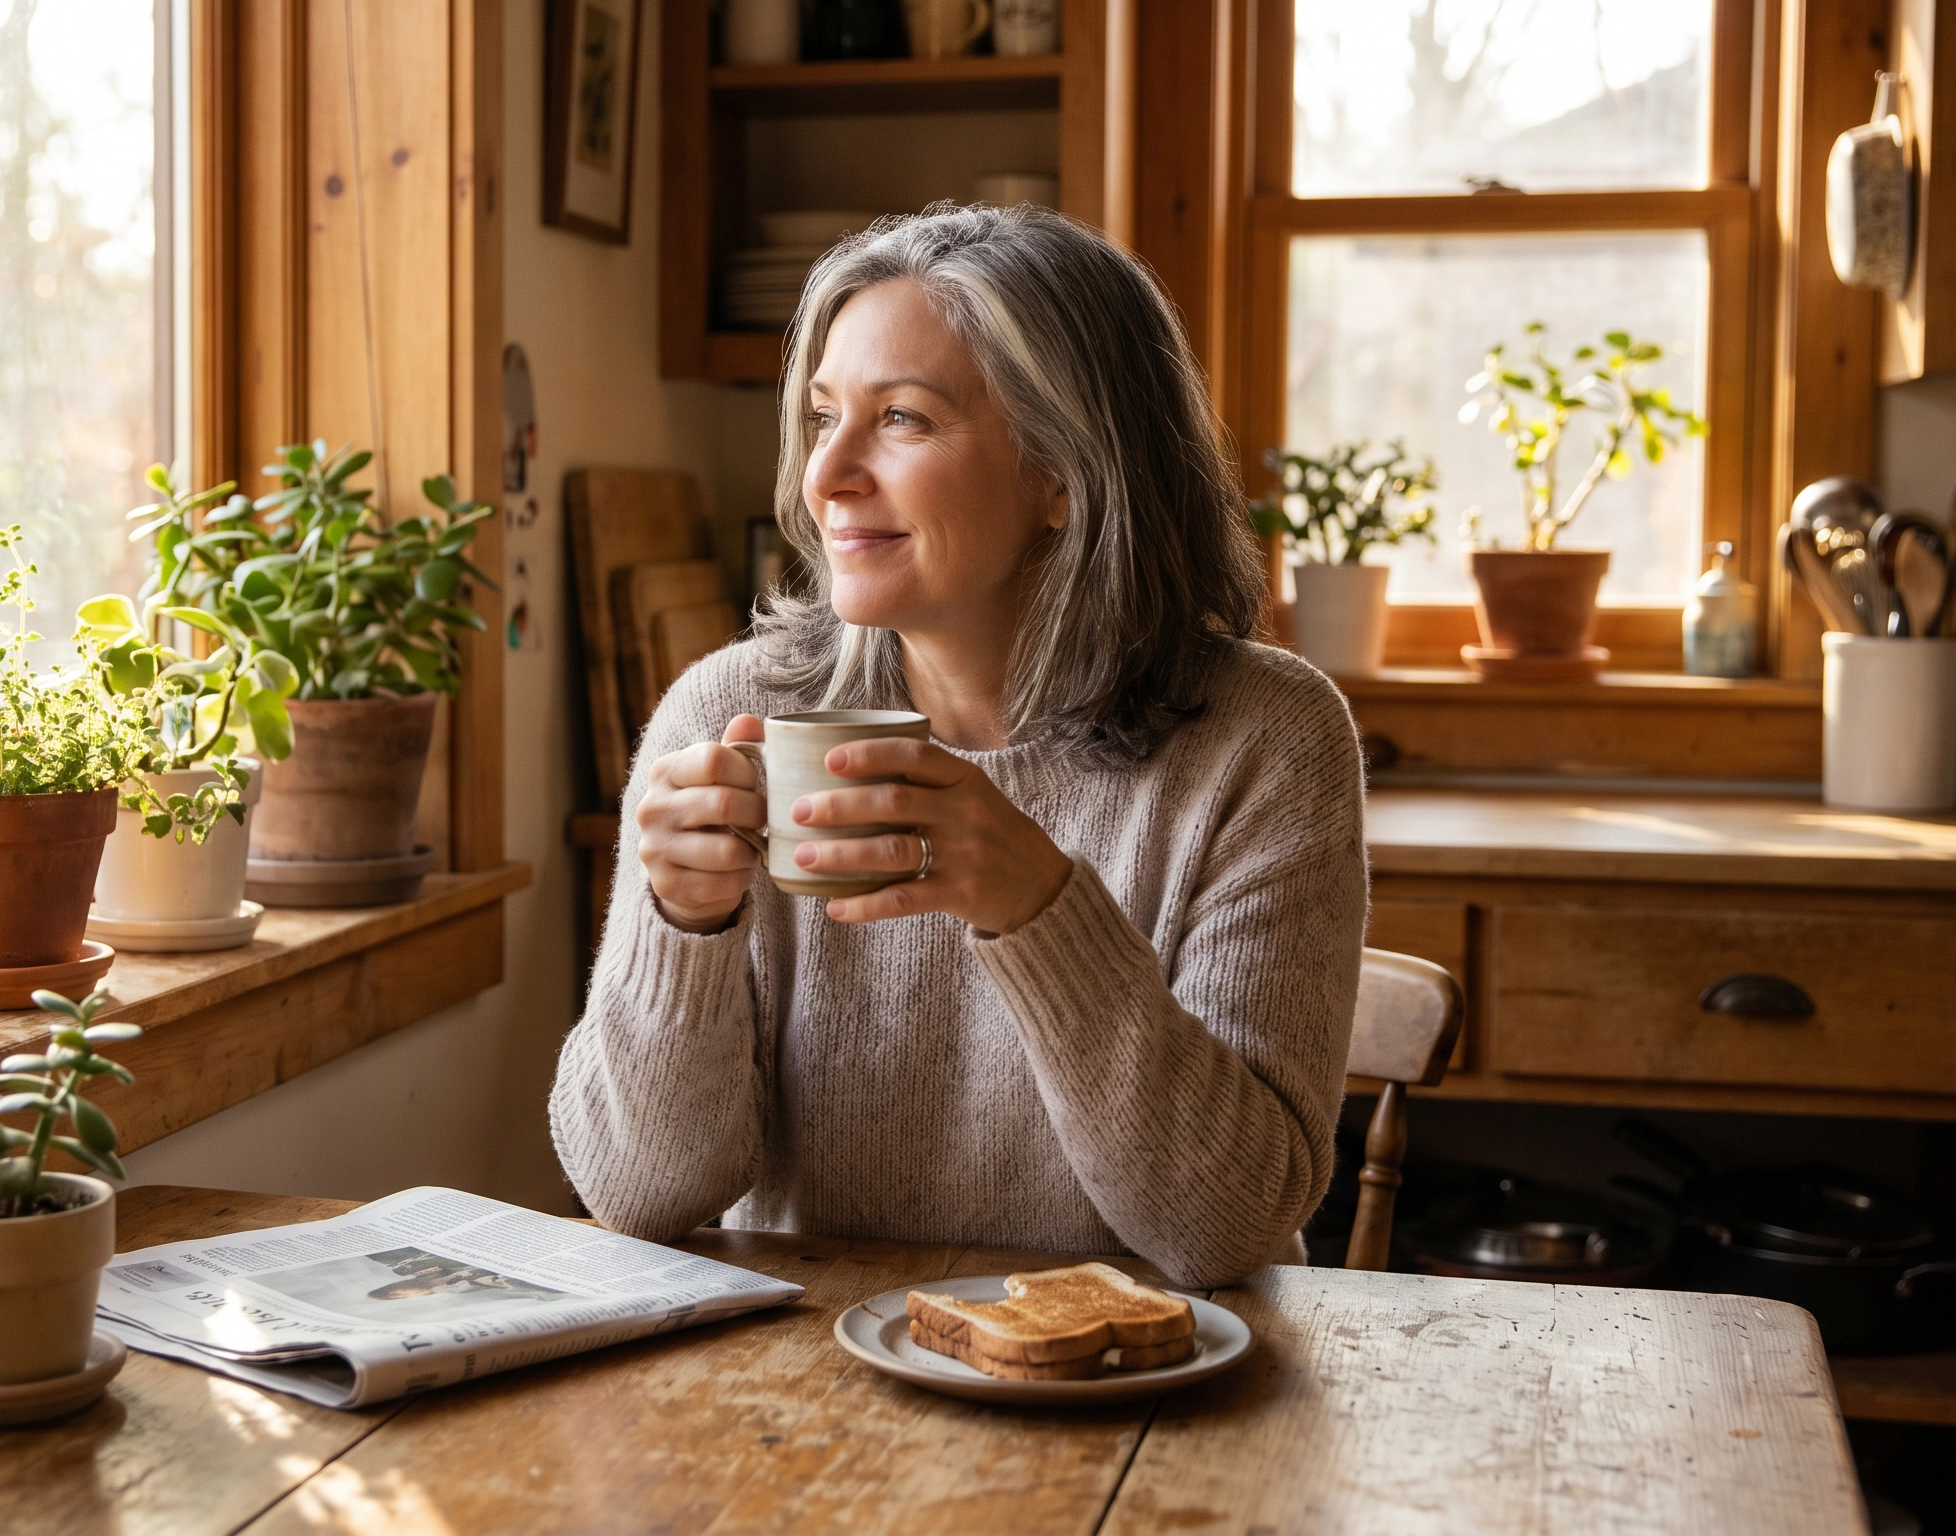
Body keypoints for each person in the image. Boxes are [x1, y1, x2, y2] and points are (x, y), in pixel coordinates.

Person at [548, 204, 1367, 1288]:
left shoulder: (1267, 743)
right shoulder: (727, 716)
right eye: (823, 413)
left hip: (1146, 1400)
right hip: (798, 1387)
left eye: (902, 420)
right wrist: (683, 927)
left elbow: (1224, 1230)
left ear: (1063, 476)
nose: (826, 473)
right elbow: (638, 1196)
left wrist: (1037, 907)